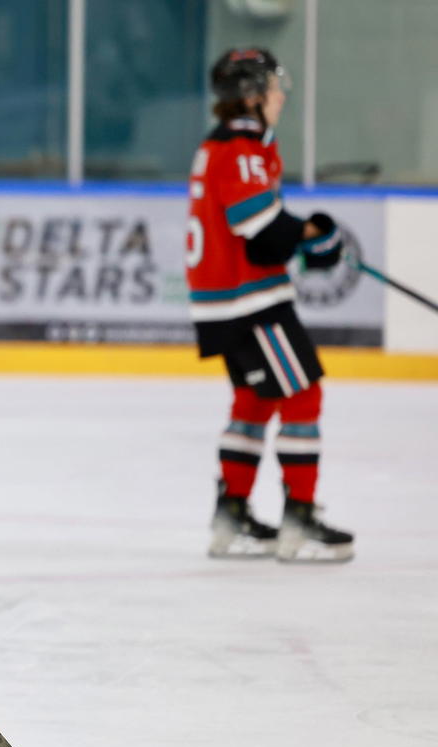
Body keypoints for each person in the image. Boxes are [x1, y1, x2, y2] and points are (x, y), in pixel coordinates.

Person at [187, 48, 353, 562]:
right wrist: (313, 238)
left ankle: (230, 516)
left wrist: (302, 238)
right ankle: (299, 520)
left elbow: (254, 225)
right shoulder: (241, 147)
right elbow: (258, 227)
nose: (282, 97)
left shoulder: (224, 146)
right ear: (252, 97)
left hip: (225, 305)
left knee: (255, 403)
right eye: (275, 89)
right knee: (303, 394)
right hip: (250, 301)